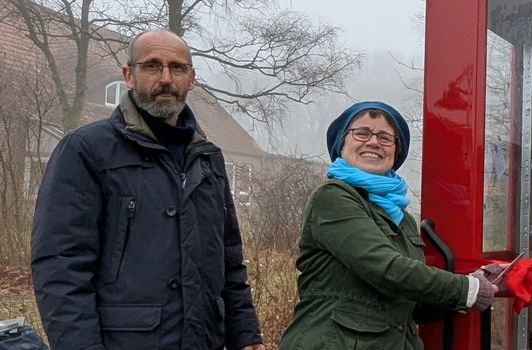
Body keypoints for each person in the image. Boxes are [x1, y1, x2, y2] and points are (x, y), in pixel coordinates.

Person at [30, 29, 264, 350]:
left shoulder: (209, 159)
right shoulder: (86, 151)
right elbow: (61, 267)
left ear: (192, 79)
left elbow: (230, 263)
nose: (166, 78)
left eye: (177, 67)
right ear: (129, 75)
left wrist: (246, 334)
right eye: (152, 66)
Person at [278, 101, 499, 350]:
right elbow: (385, 268)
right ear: (342, 144)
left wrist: (474, 283)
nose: (373, 142)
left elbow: (410, 302)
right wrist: (466, 289)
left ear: (396, 152)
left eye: (385, 137)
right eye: (362, 133)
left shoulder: (401, 217)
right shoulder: (333, 197)